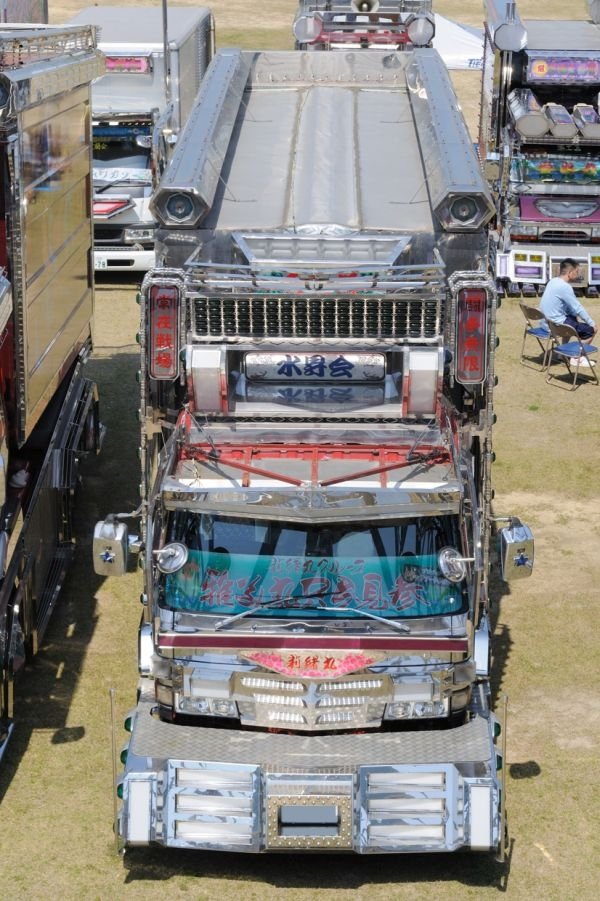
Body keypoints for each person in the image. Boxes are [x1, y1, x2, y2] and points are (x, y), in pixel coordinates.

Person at [539, 258, 597, 366]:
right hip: (555, 326)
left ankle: (562, 355)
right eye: (576, 272)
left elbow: (567, 307)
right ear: (570, 273)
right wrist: (592, 323)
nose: (578, 274)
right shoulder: (565, 287)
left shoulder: (553, 281)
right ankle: (577, 357)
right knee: (591, 331)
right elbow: (578, 308)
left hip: (545, 323)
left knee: (572, 318)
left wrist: (574, 315)